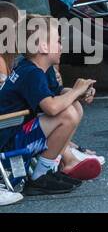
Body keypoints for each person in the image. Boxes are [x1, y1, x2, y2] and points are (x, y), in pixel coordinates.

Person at [0, 14, 99, 194]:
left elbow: (57, 93)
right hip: (6, 142)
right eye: (58, 41)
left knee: (74, 106)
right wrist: (76, 91)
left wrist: (79, 93)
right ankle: (41, 175)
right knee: (66, 113)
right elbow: (51, 107)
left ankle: (52, 167)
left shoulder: (38, 68)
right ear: (43, 47)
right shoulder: (31, 73)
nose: (61, 46)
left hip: (16, 133)